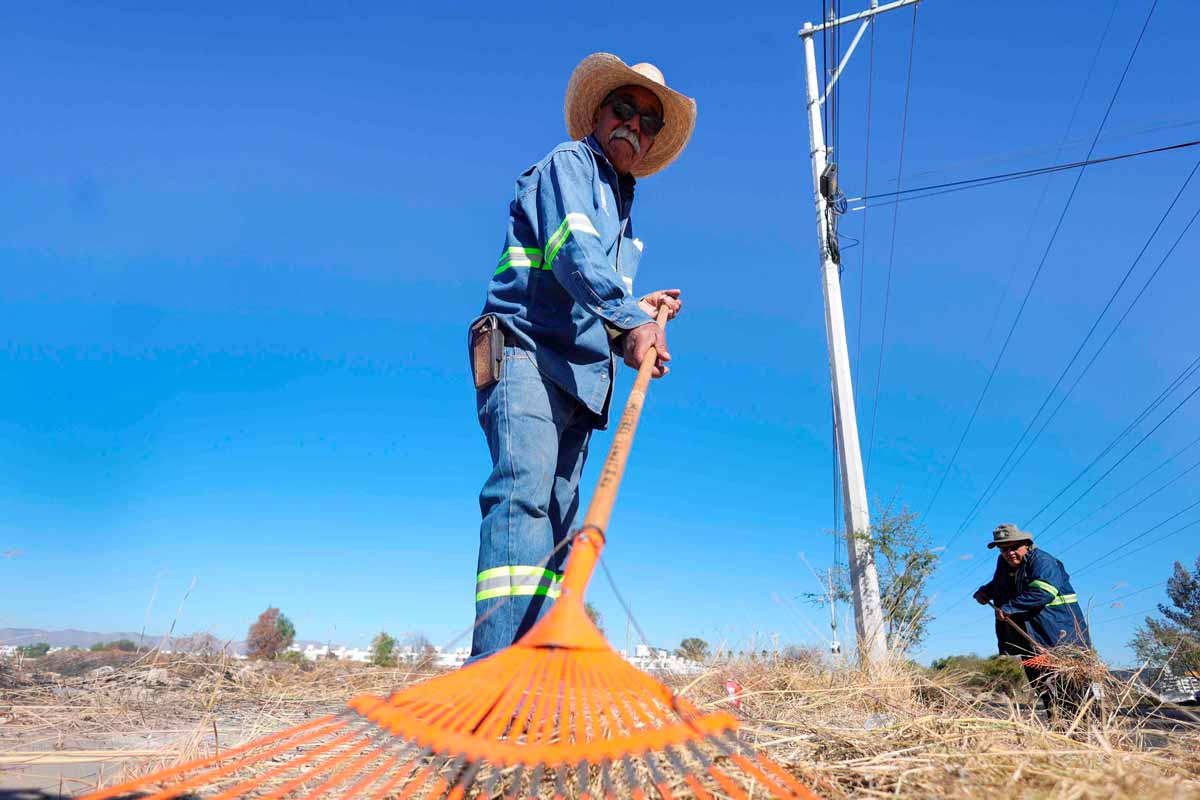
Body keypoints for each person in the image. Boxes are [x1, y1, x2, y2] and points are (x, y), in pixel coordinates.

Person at [466, 53, 697, 661]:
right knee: (522, 495)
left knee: (557, 528)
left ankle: (536, 674)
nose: (634, 124)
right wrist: (632, 317)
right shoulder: (569, 166)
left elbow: (603, 304)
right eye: (624, 108)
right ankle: (493, 675)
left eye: (648, 120)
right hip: (524, 356)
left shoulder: (624, 219)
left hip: (577, 384)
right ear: (596, 114)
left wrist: (636, 328)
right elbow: (573, 256)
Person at [973, 523, 1093, 721]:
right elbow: (1001, 585)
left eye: (1014, 547)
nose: (1009, 552)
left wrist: (1009, 608)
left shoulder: (1043, 561)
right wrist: (986, 591)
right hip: (1030, 642)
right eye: (1004, 549)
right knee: (1045, 690)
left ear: (1026, 544)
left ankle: (1085, 735)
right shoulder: (1004, 564)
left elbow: (1043, 591)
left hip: (1060, 642)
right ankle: (1060, 733)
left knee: (1071, 693)